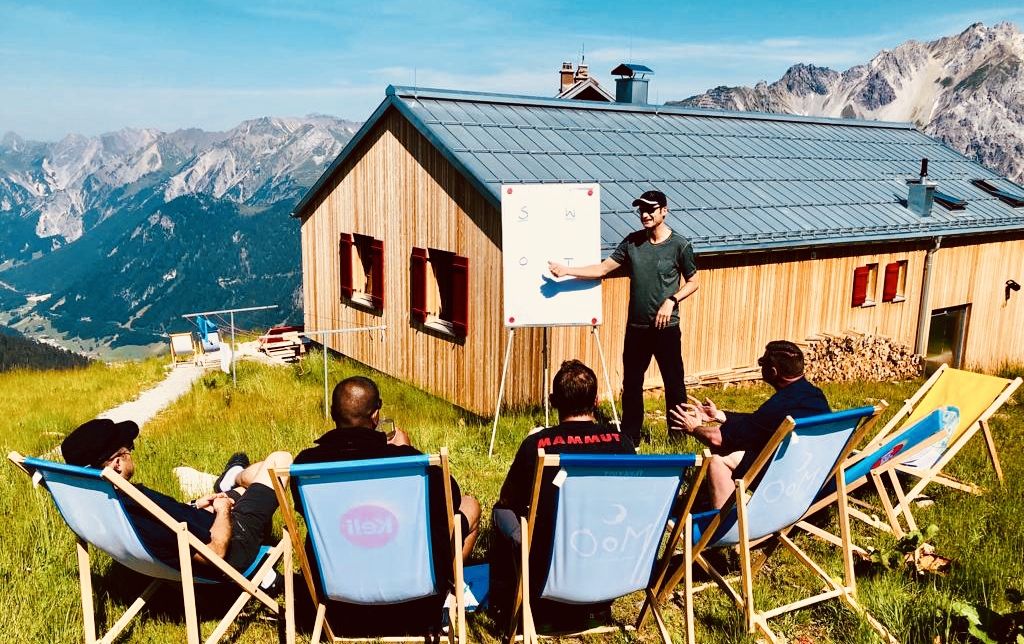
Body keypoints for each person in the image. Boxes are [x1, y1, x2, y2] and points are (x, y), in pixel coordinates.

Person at [293, 376, 480, 635]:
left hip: (339, 600)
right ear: (376, 415)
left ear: (333, 413)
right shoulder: (412, 464)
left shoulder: (305, 467)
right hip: (415, 601)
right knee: (470, 506)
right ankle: (447, 588)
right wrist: (407, 450)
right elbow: (451, 500)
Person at [489, 360, 636, 629]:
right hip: (609, 558)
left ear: (553, 401)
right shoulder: (622, 443)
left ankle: (507, 601)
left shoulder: (536, 445)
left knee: (501, 512)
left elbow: (508, 499)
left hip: (551, 571)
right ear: (597, 401)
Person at [549, 189, 698, 445]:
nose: (645, 214)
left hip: (666, 328)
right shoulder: (632, 243)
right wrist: (566, 271)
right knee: (631, 385)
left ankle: (678, 438)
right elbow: (603, 268)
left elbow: (694, 282)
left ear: (664, 210)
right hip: (637, 328)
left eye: (651, 209)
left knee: (674, 385)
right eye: (641, 209)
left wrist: (671, 300)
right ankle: (630, 437)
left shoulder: (680, 245)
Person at [60, 417, 292, 580]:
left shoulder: (104, 504)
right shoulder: (139, 502)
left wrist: (195, 506)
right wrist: (222, 510)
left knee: (253, 480)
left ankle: (232, 478)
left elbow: (168, 524)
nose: (131, 453)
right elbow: (216, 552)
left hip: (196, 528)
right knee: (279, 460)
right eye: (128, 449)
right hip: (234, 544)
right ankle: (234, 478)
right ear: (117, 463)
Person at [669, 340, 830, 508]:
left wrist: (694, 428)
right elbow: (758, 422)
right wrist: (718, 415)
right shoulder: (815, 396)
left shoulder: (778, 406)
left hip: (786, 483)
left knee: (718, 458)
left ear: (773, 371)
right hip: (813, 475)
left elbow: (718, 439)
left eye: (762, 363)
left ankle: (725, 528)